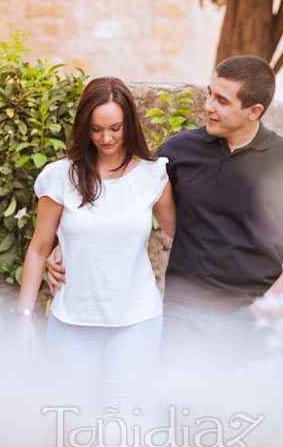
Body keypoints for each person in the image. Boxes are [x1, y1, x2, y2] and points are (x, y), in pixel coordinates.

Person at [47, 56, 283, 369]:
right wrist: (64, 242)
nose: (208, 106)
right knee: (177, 405)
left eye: (221, 100)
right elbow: (122, 194)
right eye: (209, 93)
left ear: (254, 111)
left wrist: (271, 302)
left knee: (240, 411)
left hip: (249, 317)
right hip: (184, 311)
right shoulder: (179, 150)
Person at [15, 76, 175, 410]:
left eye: (115, 128)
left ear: (129, 124)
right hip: (73, 321)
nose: (106, 138)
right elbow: (39, 248)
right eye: (96, 129)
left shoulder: (153, 175)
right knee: (75, 424)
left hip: (137, 320)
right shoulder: (61, 176)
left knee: (123, 425)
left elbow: (180, 232)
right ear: (83, 127)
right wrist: (24, 317)